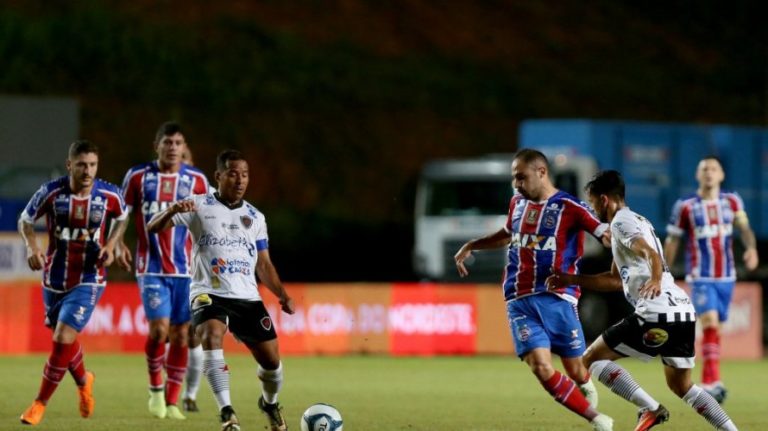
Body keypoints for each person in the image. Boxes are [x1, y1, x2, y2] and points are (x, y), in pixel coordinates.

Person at [547, 169, 739, 431]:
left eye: (593, 204)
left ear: (604, 200)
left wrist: (656, 279)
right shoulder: (639, 221)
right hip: (682, 312)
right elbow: (614, 280)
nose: (593, 211)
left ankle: (650, 409)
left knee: (590, 359)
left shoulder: (620, 223)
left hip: (655, 312)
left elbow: (649, 253)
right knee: (682, 386)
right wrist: (571, 280)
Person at [454, 149, 614, 431]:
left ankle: (585, 384)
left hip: (557, 299)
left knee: (576, 369)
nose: (516, 184)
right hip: (518, 299)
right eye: (514, 178)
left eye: (521, 177)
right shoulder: (517, 203)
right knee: (540, 366)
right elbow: (507, 234)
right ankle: (596, 419)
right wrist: (472, 245)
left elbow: (605, 235)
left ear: (541, 172)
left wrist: (629, 250)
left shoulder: (570, 207)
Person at [147, 149, 295, 431]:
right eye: (233, 173)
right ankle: (227, 413)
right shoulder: (197, 205)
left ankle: (270, 403)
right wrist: (172, 210)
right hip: (208, 292)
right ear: (218, 176)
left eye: (245, 174)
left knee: (272, 363)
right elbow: (154, 227)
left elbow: (264, 264)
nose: (240, 180)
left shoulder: (256, 217)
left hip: (247, 297)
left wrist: (282, 294)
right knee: (211, 335)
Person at [18, 140, 128, 425]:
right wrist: (31, 247)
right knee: (64, 341)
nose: (87, 170)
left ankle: (39, 403)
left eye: (92, 164)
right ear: (70, 165)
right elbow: (25, 220)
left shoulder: (109, 194)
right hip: (54, 277)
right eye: (81, 165)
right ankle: (84, 381)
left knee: (61, 339)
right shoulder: (52, 192)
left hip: (89, 278)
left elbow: (123, 217)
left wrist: (113, 244)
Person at [117, 121, 210, 419]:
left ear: (184, 148)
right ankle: (155, 389)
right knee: (159, 331)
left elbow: (210, 218)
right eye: (167, 143)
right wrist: (117, 242)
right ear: (156, 145)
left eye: (178, 143)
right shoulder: (137, 176)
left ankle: (173, 401)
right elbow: (121, 215)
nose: (173, 148)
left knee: (182, 335)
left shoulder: (197, 179)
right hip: (151, 267)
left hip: (186, 271)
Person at [663, 155, 758, 403]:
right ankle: (711, 381)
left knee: (716, 331)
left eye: (713, 169)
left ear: (721, 175)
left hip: (726, 276)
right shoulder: (685, 206)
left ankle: (711, 380)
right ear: (697, 175)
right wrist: (663, 271)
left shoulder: (732, 201)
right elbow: (673, 240)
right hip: (700, 276)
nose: (709, 173)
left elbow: (744, 228)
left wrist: (751, 248)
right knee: (710, 323)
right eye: (704, 169)